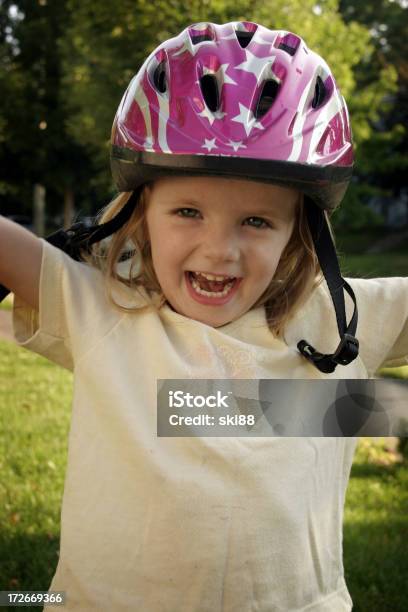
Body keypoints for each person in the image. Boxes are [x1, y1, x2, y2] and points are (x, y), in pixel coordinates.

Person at [1, 20, 407, 612]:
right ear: (139, 215)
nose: (220, 249)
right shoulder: (103, 309)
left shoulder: (337, 324)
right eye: (187, 210)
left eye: (256, 221)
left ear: (300, 232)